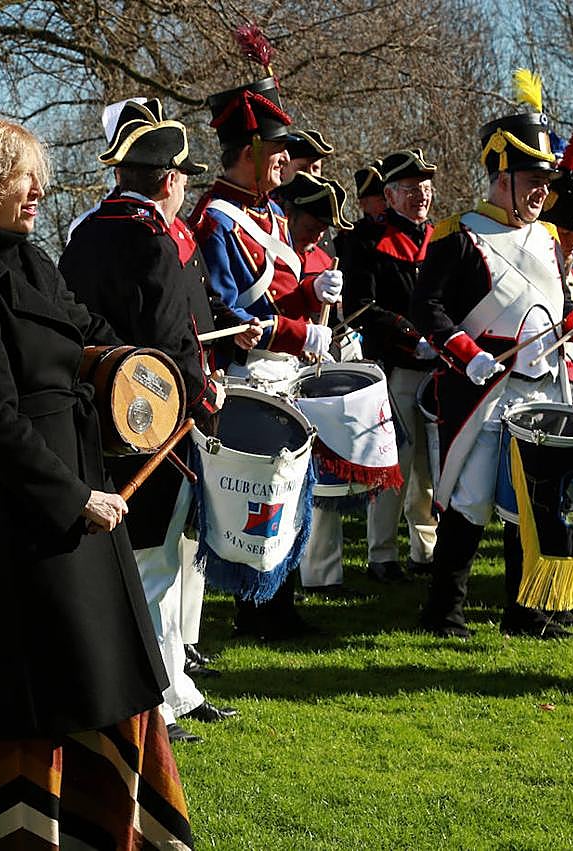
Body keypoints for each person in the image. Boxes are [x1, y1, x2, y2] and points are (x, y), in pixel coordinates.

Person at [0, 114, 194, 850]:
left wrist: (155, 376)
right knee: (42, 689)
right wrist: (74, 497)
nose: (38, 188)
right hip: (24, 518)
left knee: (110, 676)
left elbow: (91, 332)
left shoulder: (34, 261)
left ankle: (120, 832)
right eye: (22, 176)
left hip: (80, 490)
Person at [60, 97, 242, 745]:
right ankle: (152, 701)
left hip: (105, 412)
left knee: (170, 560)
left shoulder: (87, 232)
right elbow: (175, 340)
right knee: (158, 565)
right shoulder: (153, 240)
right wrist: (205, 399)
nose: (185, 185)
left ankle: (175, 686)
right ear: (168, 180)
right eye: (184, 176)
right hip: (157, 421)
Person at [410, 72, 573, 639]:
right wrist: (465, 353)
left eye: (546, 182)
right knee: (470, 502)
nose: (543, 193)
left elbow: (554, 307)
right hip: (484, 387)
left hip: (542, 385)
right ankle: (442, 612)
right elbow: (429, 307)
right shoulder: (458, 234)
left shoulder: (546, 237)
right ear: (502, 177)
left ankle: (526, 613)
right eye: (532, 180)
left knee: (532, 502)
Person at [187, 40, 342, 640]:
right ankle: (248, 608)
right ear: (249, 150)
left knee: (285, 489)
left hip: (285, 371)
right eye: (278, 149)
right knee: (248, 496)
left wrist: (313, 295)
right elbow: (228, 309)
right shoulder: (216, 216)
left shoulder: (274, 214)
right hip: (246, 372)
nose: (287, 160)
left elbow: (282, 295)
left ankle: (275, 602)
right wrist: (303, 329)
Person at [341, 148, 440, 583]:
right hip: (397, 368)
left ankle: (426, 549)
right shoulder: (368, 243)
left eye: (425, 188)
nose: (420, 195)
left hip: (438, 369)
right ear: (390, 195)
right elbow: (360, 308)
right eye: (410, 189)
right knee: (395, 462)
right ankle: (382, 554)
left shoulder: (441, 239)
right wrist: (409, 337)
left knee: (430, 468)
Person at [278, 171, 362, 595]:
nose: (317, 237)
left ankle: (323, 574)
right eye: (311, 227)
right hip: (276, 370)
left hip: (310, 374)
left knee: (321, 480)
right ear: (289, 214)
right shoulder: (271, 247)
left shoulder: (320, 256)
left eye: (323, 230)